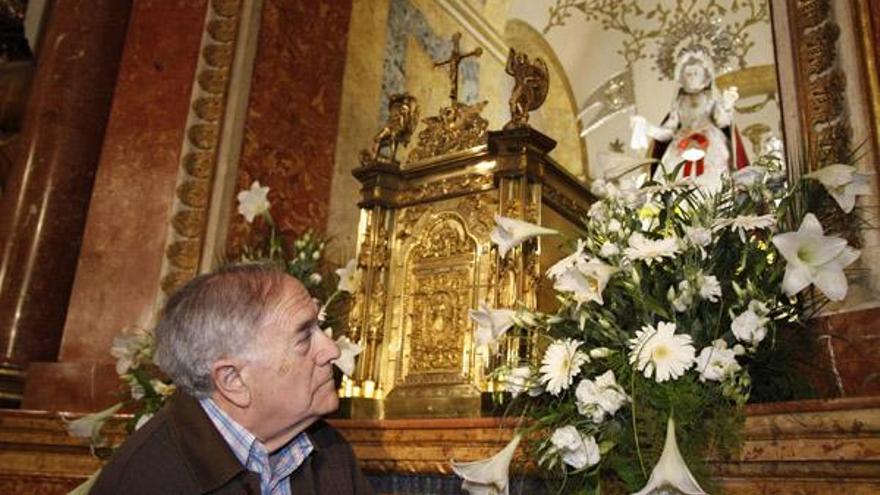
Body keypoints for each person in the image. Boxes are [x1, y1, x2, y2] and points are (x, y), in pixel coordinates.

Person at [90, 264, 375, 494]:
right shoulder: (148, 481)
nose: (331, 350)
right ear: (233, 380)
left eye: (319, 327)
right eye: (303, 336)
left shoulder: (326, 450)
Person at [630, 47, 747, 192]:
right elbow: (667, 132)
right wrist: (647, 126)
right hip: (681, 145)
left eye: (696, 73)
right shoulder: (679, 103)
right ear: (682, 77)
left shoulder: (711, 98)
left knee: (714, 183)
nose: (692, 77)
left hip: (711, 144)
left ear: (705, 76)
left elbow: (722, 121)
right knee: (674, 183)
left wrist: (728, 106)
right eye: (688, 74)